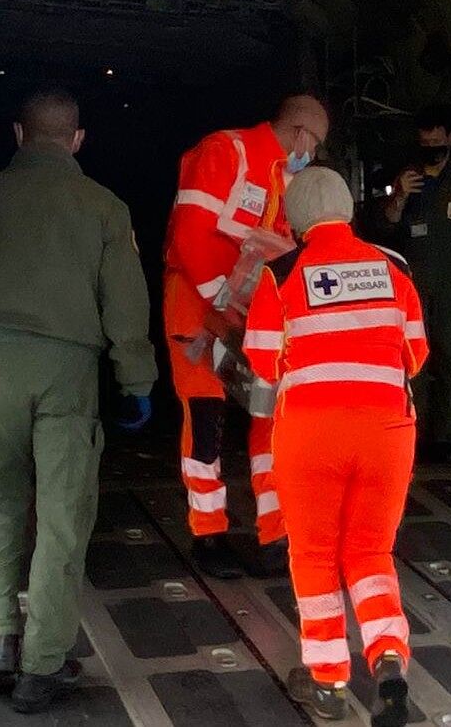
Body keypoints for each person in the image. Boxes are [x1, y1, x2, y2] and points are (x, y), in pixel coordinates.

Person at [0, 86, 157, 714]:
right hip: (66, 370)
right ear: (77, 140)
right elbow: (126, 306)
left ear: (19, 134)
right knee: (63, 515)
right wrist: (136, 381)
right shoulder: (106, 208)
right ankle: (44, 664)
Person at [244, 167, 427, 724]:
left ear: (296, 222)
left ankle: (327, 681)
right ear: (349, 210)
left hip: (311, 434)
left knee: (315, 555)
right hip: (388, 433)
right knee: (371, 553)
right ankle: (389, 658)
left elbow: (259, 358)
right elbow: (415, 353)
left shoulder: (282, 271)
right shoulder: (393, 267)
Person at [163, 94, 330, 579]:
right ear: (300, 133)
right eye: (314, 143)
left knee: (271, 417)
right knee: (206, 421)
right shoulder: (226, 152)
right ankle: (208, 533)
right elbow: (190, 236)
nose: (313, 154)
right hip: (197, 307)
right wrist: (222, 305)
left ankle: (277, 534)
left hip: (252, 313)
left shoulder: (290, 177)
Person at [375, 105, 451, 459]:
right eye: (425, 142)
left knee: (449, 357)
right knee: (413, 361)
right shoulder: (407, 178)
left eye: (438, 141)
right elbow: (384, 229)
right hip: (411, 285)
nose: (432, 148)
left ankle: (441, 438)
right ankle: (414, 434)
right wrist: (398, 196)